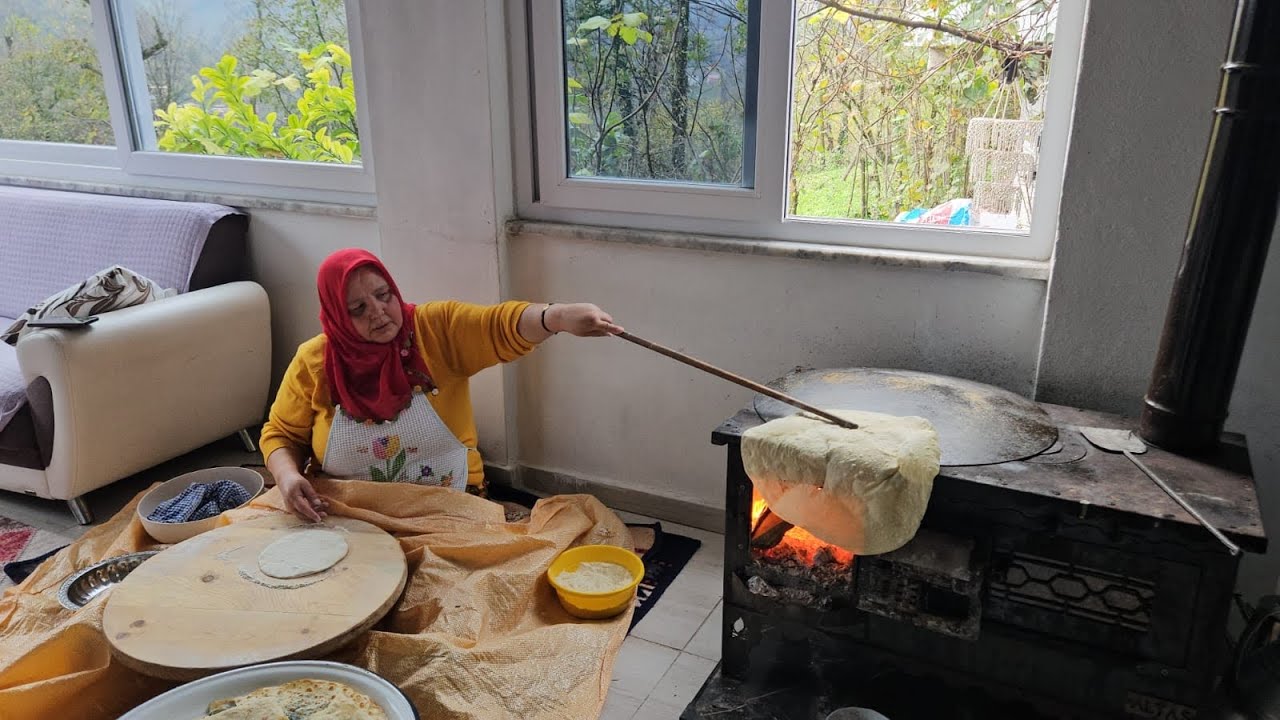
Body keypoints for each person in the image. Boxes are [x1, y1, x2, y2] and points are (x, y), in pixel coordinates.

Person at [260, 248, 622, 522]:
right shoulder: (314, 361)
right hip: (348, 514)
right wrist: (287, 476)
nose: (378, 311)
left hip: (447, 510)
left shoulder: (435, 330)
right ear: (336, 315)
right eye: (358, 308)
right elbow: (281, 435)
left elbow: (498, 325)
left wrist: (556, 316)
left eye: (384, 295)